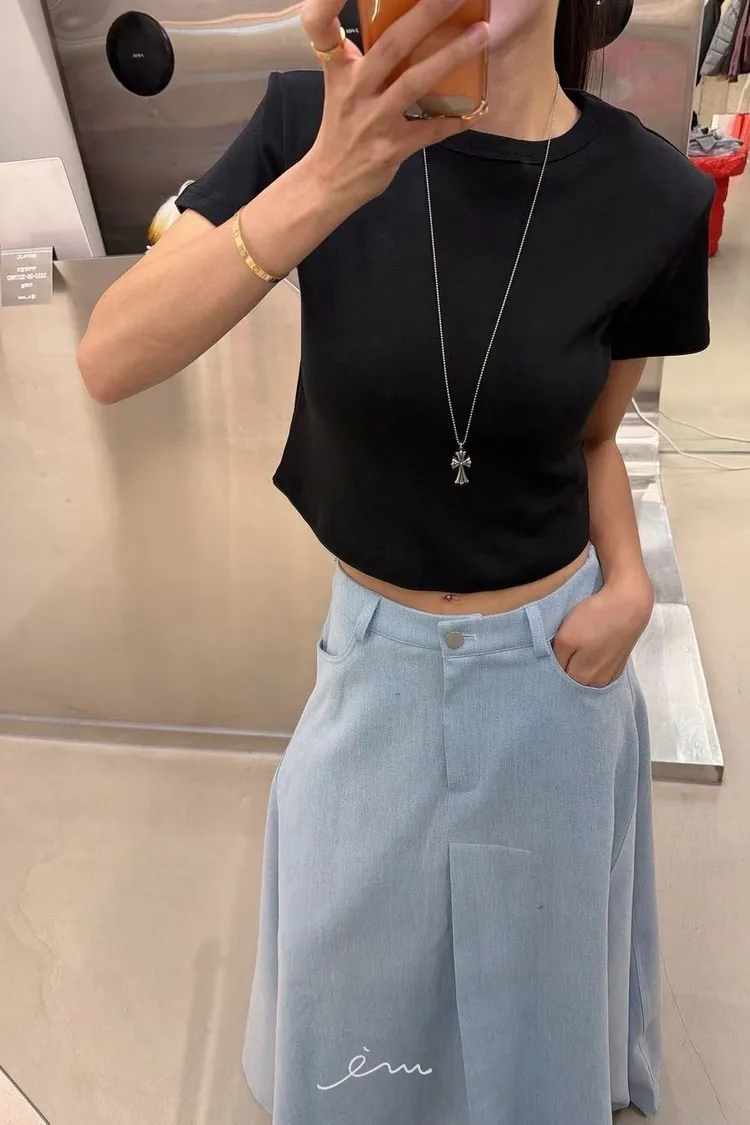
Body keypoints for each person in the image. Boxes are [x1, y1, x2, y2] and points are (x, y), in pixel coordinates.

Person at [77, 0, 714, 1120]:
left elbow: (594, 438)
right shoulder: (310, 125)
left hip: (554, 678)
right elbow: (111, 357)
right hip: (374, 666)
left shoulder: (651, 192)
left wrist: (631, 588)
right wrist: (328, 180)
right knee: (351, 1026)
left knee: (538, 1023)